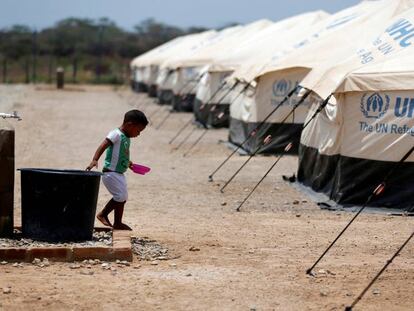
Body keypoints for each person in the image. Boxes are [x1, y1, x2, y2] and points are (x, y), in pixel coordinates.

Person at [86, 109, 148, 230]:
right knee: (120, 196)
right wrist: (95, 159)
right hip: (110, 173)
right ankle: (103, 214)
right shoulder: (116, 134)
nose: (138, 134)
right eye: (138, 130)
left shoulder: (126, 137)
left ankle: (117, 222)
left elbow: (121, 154)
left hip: (119, 173)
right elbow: (103, 145)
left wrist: (128, 163)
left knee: (123, 197)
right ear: (130, 125)